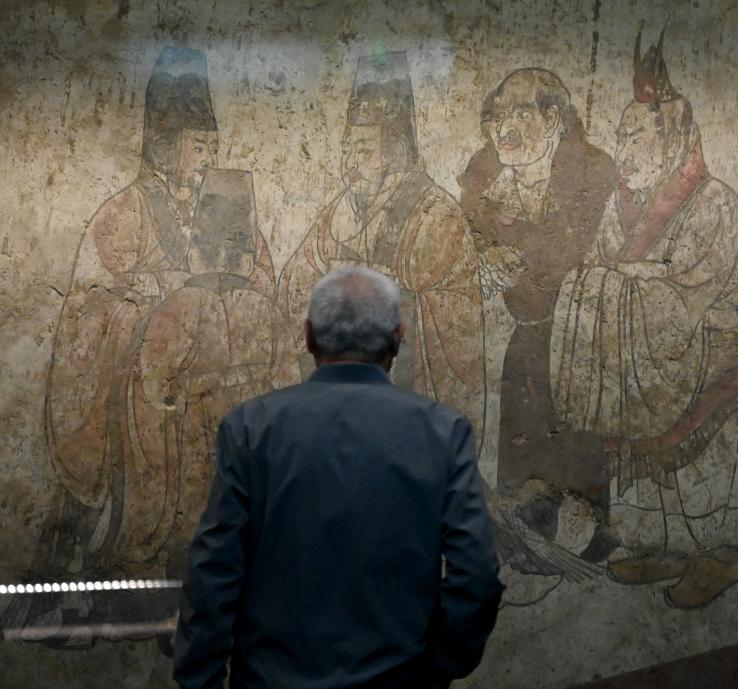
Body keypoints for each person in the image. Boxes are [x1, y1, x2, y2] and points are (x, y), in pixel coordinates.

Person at [19, 47, 281, 645]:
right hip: (145, 396)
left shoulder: (227, 211)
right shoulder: (124, 213)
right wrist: (157, 304)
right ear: (165, 146)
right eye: (199, 146)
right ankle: (103, 605)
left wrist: (235, 285)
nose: (209, 157)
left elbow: (262, 284)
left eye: (213, 146)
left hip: (207, 397)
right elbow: (88, 309)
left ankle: (202, 612)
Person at [174, 266, 504, 689]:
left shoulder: (251, 428)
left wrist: (199, 679)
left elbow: (213, 571)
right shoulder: (443, 432)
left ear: (309, 336)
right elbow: (476, 575)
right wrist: (436, 667)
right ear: (398, 338)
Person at [549, 28, 738, 608]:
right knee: (646, 467)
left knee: (702, 469)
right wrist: (604, 283)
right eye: (620, 135)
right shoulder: (620, 208)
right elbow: (599, 265)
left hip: (706, 357)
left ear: (672, 140)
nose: (623, 148)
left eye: (635, 136)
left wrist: (629, 281)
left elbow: (700, 284)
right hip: (636, 359)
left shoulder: (714, 201)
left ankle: (721, 554)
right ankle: (661, 547)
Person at [278, 51, 486, 442]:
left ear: (393, 153)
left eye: (362, 150)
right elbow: (296, 272)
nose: (349, 163)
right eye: (347, 150)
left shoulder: (434, 211)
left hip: (408, 397)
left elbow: (449, 312)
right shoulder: (341, 209)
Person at [458, 68, 617, 560]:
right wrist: (486, 250)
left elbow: (565, 254)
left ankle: (586, 538)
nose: (504, 127)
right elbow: (468, 234)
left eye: (521, 113)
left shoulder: (592, 171)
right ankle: (528, 544)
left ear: (552, 119)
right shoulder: (483, 176)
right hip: (525, 334)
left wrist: (517, 248)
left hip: (580, 336)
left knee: (576, 449)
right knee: (522, 438)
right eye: (497, 116)